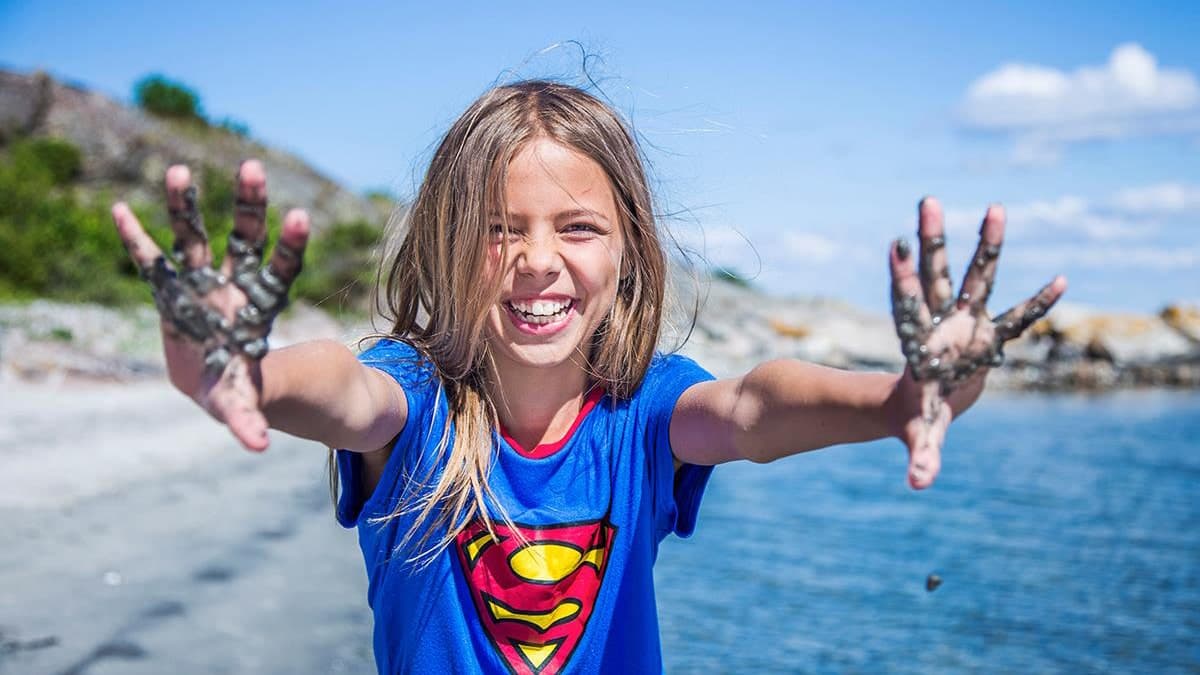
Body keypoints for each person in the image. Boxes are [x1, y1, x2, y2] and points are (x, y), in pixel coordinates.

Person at [111, 80, 1066, 674]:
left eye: (577, 228)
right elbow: (342, 389)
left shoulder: (644, 412)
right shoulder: (416, 400)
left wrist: (900, 399)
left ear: (628, 252)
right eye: (499, 229)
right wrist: (247, 371)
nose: (538, 260)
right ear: (445, 246)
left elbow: (752, 407)